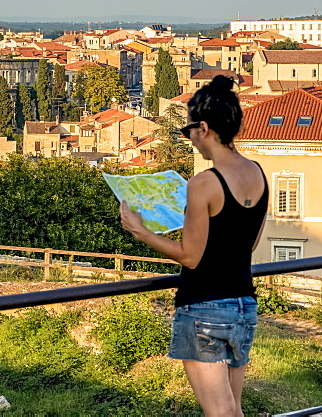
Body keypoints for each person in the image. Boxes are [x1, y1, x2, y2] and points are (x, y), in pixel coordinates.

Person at [118, 75, 267, 417]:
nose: (190, 142)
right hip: (243, 303)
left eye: (188, 133)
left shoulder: (204, 183)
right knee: (234, 409)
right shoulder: (257, 173)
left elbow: (191, 256)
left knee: (218, 412)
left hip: (204, 307)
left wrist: (140, 231)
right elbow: (250, 243)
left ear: (203, 128)